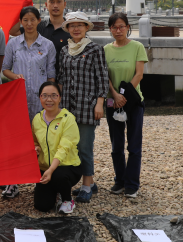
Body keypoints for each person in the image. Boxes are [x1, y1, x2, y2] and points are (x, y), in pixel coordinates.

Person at [1, 6, 56, 200]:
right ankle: (12, 182)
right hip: (18, 100)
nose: (29, 23)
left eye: (33, 19)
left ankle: (44, 180)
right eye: (25, 20)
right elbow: (5, 68)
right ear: (21, 22)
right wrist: (15, 76)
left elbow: (51, 75)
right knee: (16, 140)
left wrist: (50, 100)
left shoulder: (47, 45)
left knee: (43, 140)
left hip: (41, 102)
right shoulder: (13, 44)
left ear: (39, 20)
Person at [55, 11, 108, 204]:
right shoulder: (64, 50)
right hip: (67, 106)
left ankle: (86, 187)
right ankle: (89, 182)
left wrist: (100, 103)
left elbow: (102, 77)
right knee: (72, 146)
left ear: (86, 27)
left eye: (80, 25)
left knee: (85, 147)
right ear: (67, 28)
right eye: (72, 25)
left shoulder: (95, 49)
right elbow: (61, 78)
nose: (76, 28)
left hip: (87, 105)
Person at [104, 12, 148, 198]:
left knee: (134, 145)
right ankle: (120, 181)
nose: (118, 30)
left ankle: (132, 184)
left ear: (128, 27)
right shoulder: (106, 49)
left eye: (122, 26)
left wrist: (124, 95)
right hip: (112, 101)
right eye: (114, 27)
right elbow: (105, 76)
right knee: (116, 145)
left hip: (133, 102)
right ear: (110, 29)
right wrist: (115, 95)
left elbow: (139, 74)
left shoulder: (137, 47)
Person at [32, 81, 82, 214]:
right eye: (45, 96)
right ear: (40, 98)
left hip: (67, 167)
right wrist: (36, 148)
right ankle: (55, 191)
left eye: (54, 95)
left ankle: (67, 200)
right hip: (45, 168)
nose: (49, 99)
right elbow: (34, 141)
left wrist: (51, 170)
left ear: (60, 98)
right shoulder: (37, 119)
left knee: (58, 175)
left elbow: (64, 148)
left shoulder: (68, 119)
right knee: (42, 206)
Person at [10, 0, 71, 74]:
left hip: (63, 77)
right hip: (39, 78)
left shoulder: (71, 29)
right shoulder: (38, 26)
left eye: (59, 2)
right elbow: (13, 31)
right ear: (46, 5)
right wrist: (22, 9)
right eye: (52, 2)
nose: (55, 5)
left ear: (64, 4)